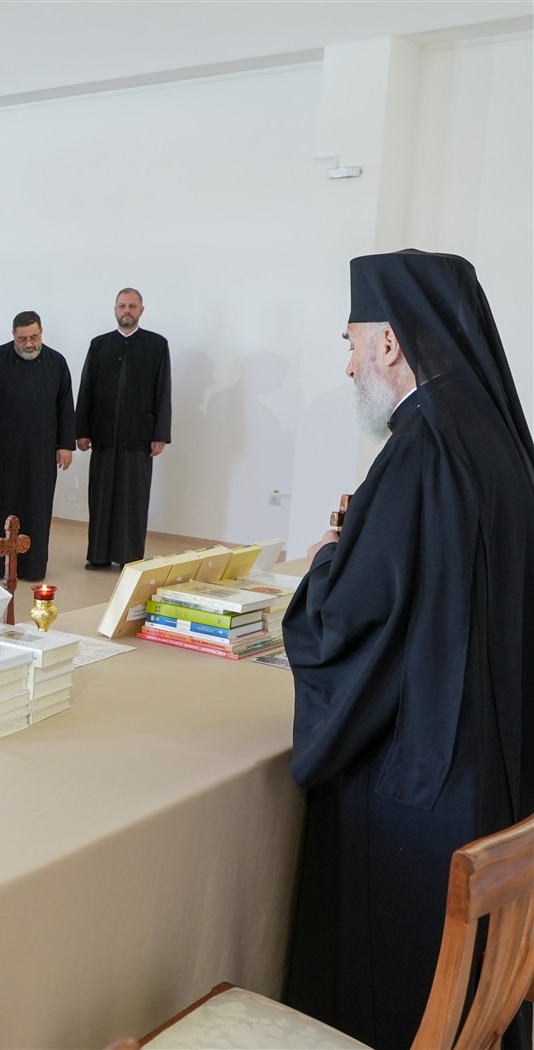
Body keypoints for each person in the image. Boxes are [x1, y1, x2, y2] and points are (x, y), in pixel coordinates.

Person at [281, 250, 534, 1050]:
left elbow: (352, 623)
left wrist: (327, 564)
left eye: (352, 341)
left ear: (389, 343)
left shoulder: (422, 449)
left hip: (423, 780)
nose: (349, 362)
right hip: (491, 761)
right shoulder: (493, 434)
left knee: (395, 975)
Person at [0, 310, 75, 580]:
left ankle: (33, 565)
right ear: (13, 335)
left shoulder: (56, 362)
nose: (29, 344)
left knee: (37, 507)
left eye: (34, 337)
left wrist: (65, 445)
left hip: (41, 451)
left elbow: (65, 407)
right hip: (2, 449)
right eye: (22, 338)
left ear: (41, 332)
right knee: (2, 504)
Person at [74, 287, 171, 568]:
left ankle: (129, 556)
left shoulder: (156, 345)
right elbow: (86, 388)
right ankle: (98, 556)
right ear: (115, 310)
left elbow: (163, 390)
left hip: (138, 436)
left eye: (132, 306)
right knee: (101, 496)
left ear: (141, 310)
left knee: (133, 498)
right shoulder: (99, 344)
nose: (126, 311)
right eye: (122, 306)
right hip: (103, 434)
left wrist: (160, 434)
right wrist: (81, 430)